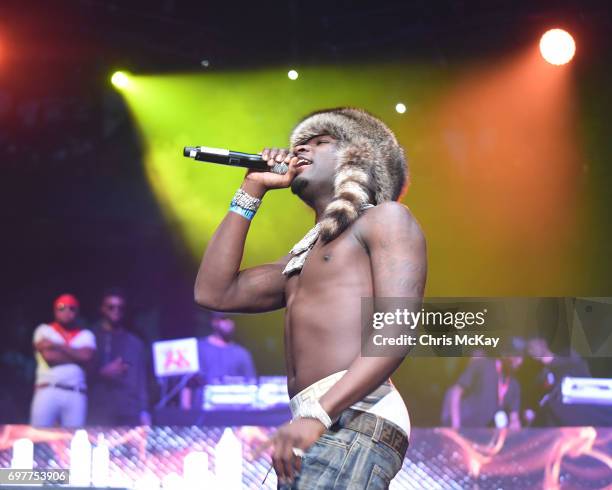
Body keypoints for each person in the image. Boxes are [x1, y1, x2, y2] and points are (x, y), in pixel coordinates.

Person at [194, 108, 427, 488]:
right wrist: (251, 188)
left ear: (358, 159)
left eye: (322, 142)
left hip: (355, 412)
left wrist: (320, 414)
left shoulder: (384, 219)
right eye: (301, 142)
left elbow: (397, 331)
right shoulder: (303, 255)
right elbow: (213, 291)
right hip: (315, 418)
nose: (301, 147)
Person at [30, 294, 96, 427]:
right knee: (39, 435)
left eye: (72, 308)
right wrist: (76, 356)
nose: (66, 311)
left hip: (76, 393)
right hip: (48, 389)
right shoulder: (44, 330)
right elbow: (50, 357)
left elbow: (87, 356)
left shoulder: (86, 335)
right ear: (55, 310)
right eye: (62, 308)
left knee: (73, 439)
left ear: (77, 312)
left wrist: (58, 345)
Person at [88, 288, 151, 425]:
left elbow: (141, 379)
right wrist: (101, 373)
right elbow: (80, 375)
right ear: (102, 309)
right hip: (98, 409)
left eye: (120, 307)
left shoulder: (135, 342)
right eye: (111, 307)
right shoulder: (90, 338)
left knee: (130, 446)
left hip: (128, 410)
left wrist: (144, 410)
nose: (116, 310)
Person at [180, 312, 257, 410]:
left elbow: (251, 385)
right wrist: (186, 412)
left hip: (234, 412)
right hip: (202, 412)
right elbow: (187, 383)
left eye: (232, 319)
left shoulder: (242, 353)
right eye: (224, 319)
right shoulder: (197, 348)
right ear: (214, 322)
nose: (229, 322)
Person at [444, 353, 523, 429]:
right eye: (517, 356)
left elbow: (514, 416)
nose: (520, 361)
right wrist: (456, 425)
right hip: (464, 427)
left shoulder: (515, 384)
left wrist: (515, 423)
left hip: (487, 436)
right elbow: (456, 392)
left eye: (522, 358)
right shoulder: (481, 364)